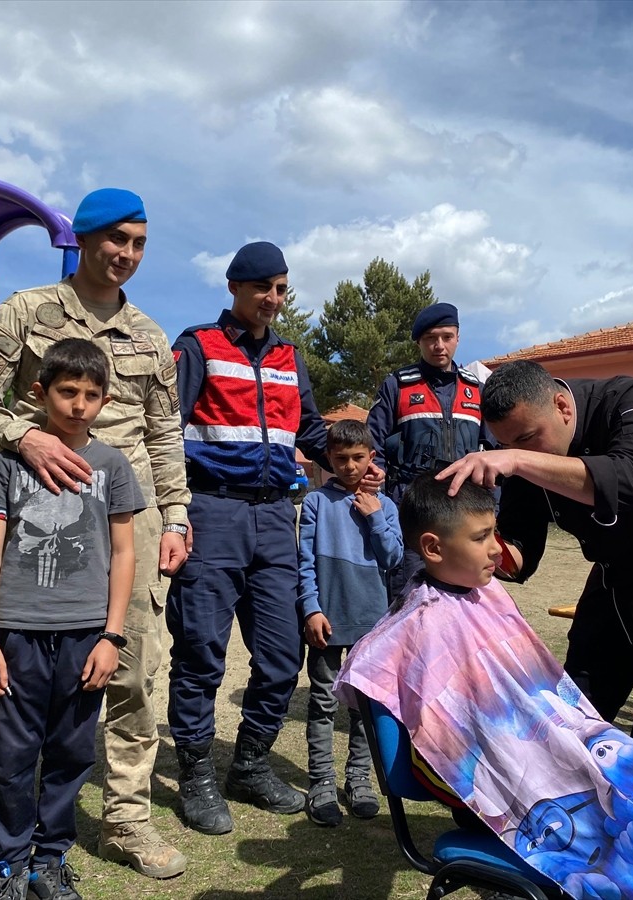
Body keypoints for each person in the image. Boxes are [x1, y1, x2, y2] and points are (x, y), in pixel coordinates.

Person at [332, 475, 633, 899]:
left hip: (558, 752)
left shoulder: (484, 593)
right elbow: (391, 685)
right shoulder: (416, 628)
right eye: (480, 538)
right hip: (512, 781)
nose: (497, 549)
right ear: (432, 548)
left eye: (494, 532)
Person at [0, 188, 190, 900]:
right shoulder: (28, 313)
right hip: (36, 508)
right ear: (83, 238)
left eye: (140, 243)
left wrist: (175, 518)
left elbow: (164, 432)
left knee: (132, 672)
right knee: (13, 685)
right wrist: (25, 436)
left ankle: (126, 820)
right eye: (117, 239)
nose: (128, 255)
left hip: (128, 520)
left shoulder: (150, 336)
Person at [438, 361, 633, 767]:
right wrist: (473, 547)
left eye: (529, 438)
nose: (520, 451)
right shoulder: (520, 454)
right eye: (507, 444)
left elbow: (630, 479)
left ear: (562, 407)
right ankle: (573, 823)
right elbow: (520, 551)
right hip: (615, 580)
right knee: (569, 722)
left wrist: (517, 459)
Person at [167, 241, 380, 835]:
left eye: (283, 289)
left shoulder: (289, 355)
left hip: (275, 518)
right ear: (235, 286)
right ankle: (197, 774)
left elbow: (310, 428)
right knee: (201, 652)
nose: (274, 299)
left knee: (284, 655)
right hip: (212, 512)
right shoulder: (197, 344)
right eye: (265, 287)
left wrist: (361, 456)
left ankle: (251, 765)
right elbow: (166, 426)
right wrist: (173, 513)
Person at [0, 339, 144, 900]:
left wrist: (112, 636)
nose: (78, 405)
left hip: (86, 637)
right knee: (11, 755)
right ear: (41, 393)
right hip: (16, 635)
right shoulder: (8, 464)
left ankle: (51, 859)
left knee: (71, 751)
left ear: (105, 399)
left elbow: (123, 554)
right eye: (67, 392)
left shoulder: (112, 466)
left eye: (92, 395)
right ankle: (10, 864)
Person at [298, 419, 403, 826]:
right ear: (328, 459)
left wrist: (375, 515)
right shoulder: (316, 504)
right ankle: (320, 781)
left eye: (358, 458)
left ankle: (360, 777)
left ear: (371, 458)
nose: (349, 466)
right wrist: (310, 608)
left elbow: (393, 559)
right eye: (340, 459)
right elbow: (304, 562)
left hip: (372, 622)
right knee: (323, 702)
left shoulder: (386, 504)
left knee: (363, 707)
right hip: (327, 617)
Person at [366, 302, 488, 594]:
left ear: (458, 337)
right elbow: (373, 445)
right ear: (420, 341)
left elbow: (492, 454)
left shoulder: (477, 390)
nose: (439, 345)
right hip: (411, 506)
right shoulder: (398, 385)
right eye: (431, 338)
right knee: (408, 593)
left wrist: (492, 508)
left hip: (463, 508)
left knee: (463, 591)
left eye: (447, 337)